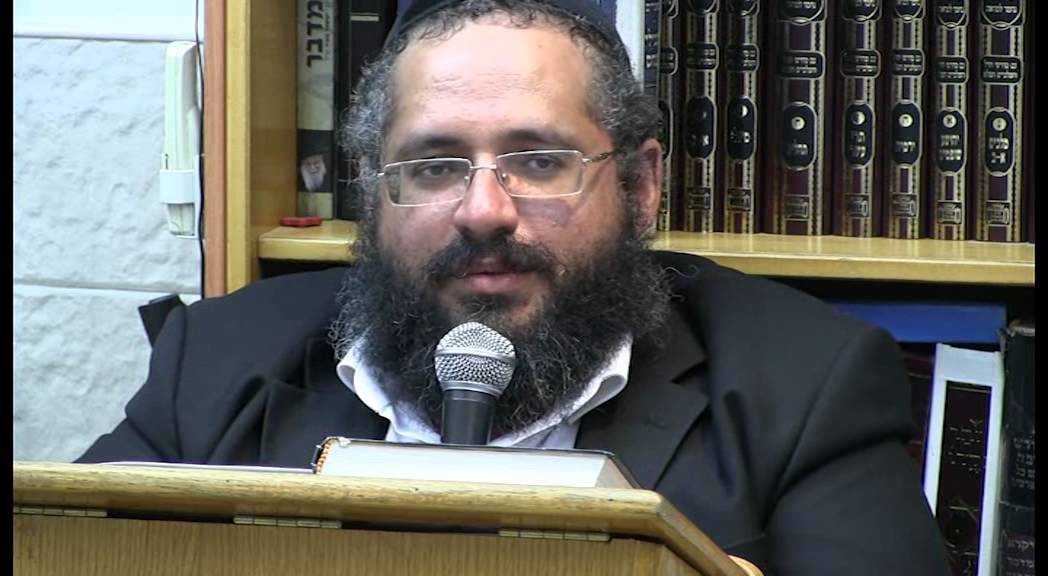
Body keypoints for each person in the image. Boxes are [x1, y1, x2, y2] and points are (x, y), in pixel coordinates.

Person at [78, 1, 951, 574]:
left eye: (538, 161)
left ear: (641, 185)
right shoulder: (213, 364)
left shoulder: (806, 387)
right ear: (374, 193)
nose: (484, 211)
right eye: (434, 165)